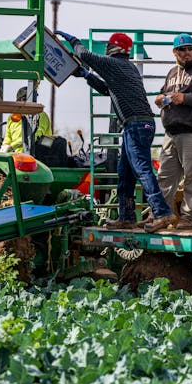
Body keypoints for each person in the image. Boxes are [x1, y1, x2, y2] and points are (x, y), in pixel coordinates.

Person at [54, 30, 175, 233]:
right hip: (137, 125)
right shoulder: (128, 68)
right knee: (125, 174)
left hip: (136, 125)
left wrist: (73, 40)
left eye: (109, 46)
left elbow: (85, 55)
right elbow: (107, 89)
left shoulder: (114, 64)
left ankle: (162, 213)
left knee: (142, 169)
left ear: (115, 48)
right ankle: (127, 217)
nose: (107, 49)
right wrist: (86, 76)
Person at [154, 33, 192, 230]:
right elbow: (166, 93)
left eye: (190, 48)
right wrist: (161, 98)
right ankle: (162, 215)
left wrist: (185, 98)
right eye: (182, 49)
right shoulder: (172, 73)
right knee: (165, 176)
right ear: (175, 52)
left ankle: (189, 217)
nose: (187, 52)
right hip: (171, 132)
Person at [0, 86, 52, 153]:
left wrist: (11, 146)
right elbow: (8, 136)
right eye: (25, 99)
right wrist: (5, 145)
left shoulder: (40, 115)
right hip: (16, 155)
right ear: (20, 100)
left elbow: (36, 136)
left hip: (38, 155)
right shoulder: (12, 117)